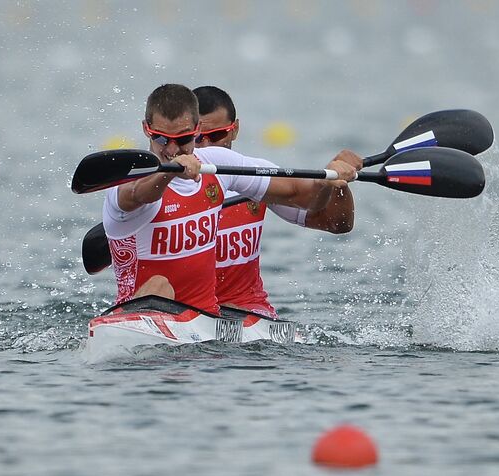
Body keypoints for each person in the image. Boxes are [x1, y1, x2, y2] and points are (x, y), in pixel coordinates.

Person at [102, 83, 361, 316]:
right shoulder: (128, 179)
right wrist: (168, 175)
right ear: (146, 130)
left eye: (182, 140)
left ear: (195, 130)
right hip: (147, 314)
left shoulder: (221, 165)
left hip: (221, 320)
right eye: (161, 139)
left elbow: (304, 198)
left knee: (232, 309)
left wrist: (328, 182)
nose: (171, 149)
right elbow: (137, 194)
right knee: (158, 287)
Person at [193, 85, 358, 318]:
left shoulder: (256, 175)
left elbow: (336, 223)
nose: (206, 147)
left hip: (249, 310)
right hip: (188, 310)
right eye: (196, 138)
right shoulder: (165, 182)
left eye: (216, 136)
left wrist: (335, 182)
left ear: (235, 130)